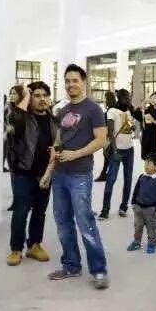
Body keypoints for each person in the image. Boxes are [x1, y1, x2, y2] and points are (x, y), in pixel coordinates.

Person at [40, 64, 109, 290]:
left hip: (80, 175)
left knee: (85, 222)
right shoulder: (63, 110)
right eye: (67, 81)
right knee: (62, 223)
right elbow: (58, 143)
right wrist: (49, 171)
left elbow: (101, 140)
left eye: (75, 80)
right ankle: (71, 265)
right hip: (60, 175)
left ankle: (99, 270)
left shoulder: (93, 109)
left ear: (84, 82)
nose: (71, 85)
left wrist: (76, 154)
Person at [5, 83, 57, 266]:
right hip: (23, 172)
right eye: (37, 95)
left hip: (45, 174)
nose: (42, 99)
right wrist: (25, 96)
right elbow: (14, 119)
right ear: (29, 98)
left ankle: (34, 245)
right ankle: (16, 249)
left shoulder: (53, 120)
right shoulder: (22, 119)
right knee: (21, 211)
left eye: (45, 95)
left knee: (40, 211)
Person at [99, 89, 136, 220]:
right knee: (111, 179)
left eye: (129, 97)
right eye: (127, 97)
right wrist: (114, 151)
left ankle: (123, 207)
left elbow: (130, 127)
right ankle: (105, 209)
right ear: (120, 98)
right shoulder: (112, 111)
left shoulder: (128, 111)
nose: (129, 99)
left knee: (128, 179)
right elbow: (110, 133)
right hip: (117, 150)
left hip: (129, 149)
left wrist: (132, 126)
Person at [127, 151, 156, 254]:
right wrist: (134, 202)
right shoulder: (142, 177)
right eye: (145, 163)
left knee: (151, 228)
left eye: (149, 164)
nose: (146, 166)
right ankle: (136, 242)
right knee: (137, 226)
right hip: (138, 208)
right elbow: (136, 190)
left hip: (151, 209)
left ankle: (151, 243)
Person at [95, 91, 118, 182]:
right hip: (113, 138)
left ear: (108, 100)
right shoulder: (115, 110)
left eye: (105, 99)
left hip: (109, 138)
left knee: (108, 156)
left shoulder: (109, 112)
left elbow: (109, 128)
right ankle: (104, 174)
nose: (104, 101)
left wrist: (106, 140)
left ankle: (105, 175)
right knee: (108, 157)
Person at [140, 91, 156, 159]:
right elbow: (142, 108)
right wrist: (145, 101)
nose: (152, 99)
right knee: (147, 159)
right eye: (151, 98)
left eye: (155, 98)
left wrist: (153, 121)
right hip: (147, 137)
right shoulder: (149, 109)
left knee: (155, 160)